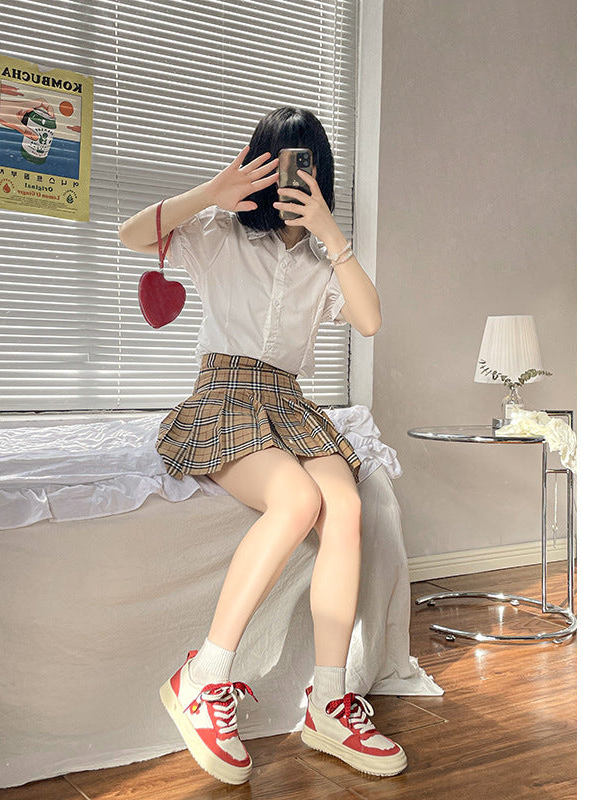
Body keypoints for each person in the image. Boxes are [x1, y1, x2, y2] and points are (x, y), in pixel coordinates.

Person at [118, 107, 406, 785]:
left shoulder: (322, 260)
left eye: (304, 168)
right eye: (277, 166)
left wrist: (333, 235)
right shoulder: (219, 234)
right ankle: (203, 674)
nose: (289, 181)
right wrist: (210, 193)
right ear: (258, 170)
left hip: (290, 404)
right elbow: (131, 235)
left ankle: (329, 702)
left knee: (347, 506)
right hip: (224, 396)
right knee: (297, 500)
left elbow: (369, 321)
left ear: (320, 176)